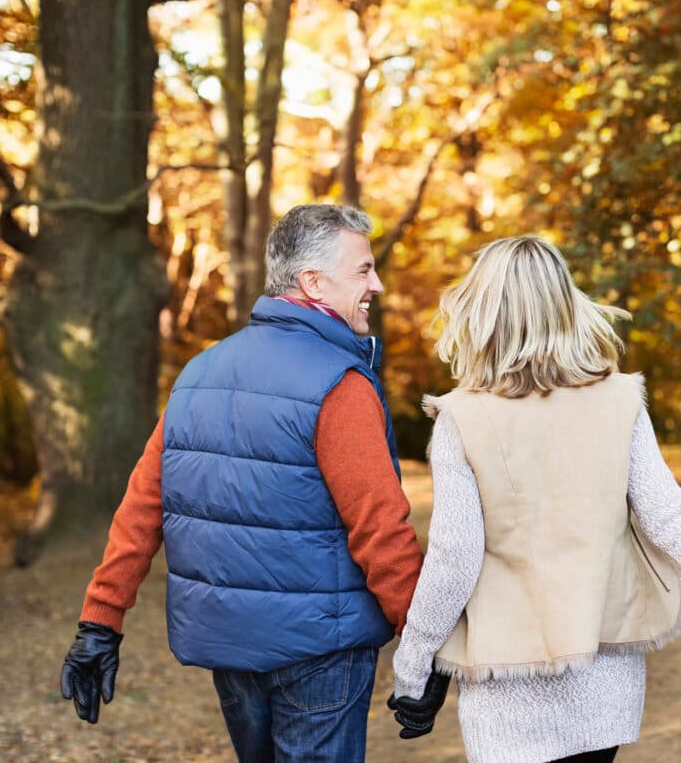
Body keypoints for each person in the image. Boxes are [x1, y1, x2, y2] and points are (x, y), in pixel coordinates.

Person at [388, 236, 681, 763]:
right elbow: (669, 514)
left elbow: (455, 557)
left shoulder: (461, 419)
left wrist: (415, 664)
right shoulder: (620, 399)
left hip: (510, 682)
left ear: (483, 311)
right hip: (604, 672)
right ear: (565, 303)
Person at [60, 204, 425, 763]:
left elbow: (141, 508)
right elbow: (382, 532)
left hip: (231, 649)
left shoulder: (199, 374)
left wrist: (100, 623)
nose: (376, 284)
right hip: (322, 652)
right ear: (313, 282)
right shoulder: (340, 385)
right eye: (363, 270)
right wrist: (424, 650)